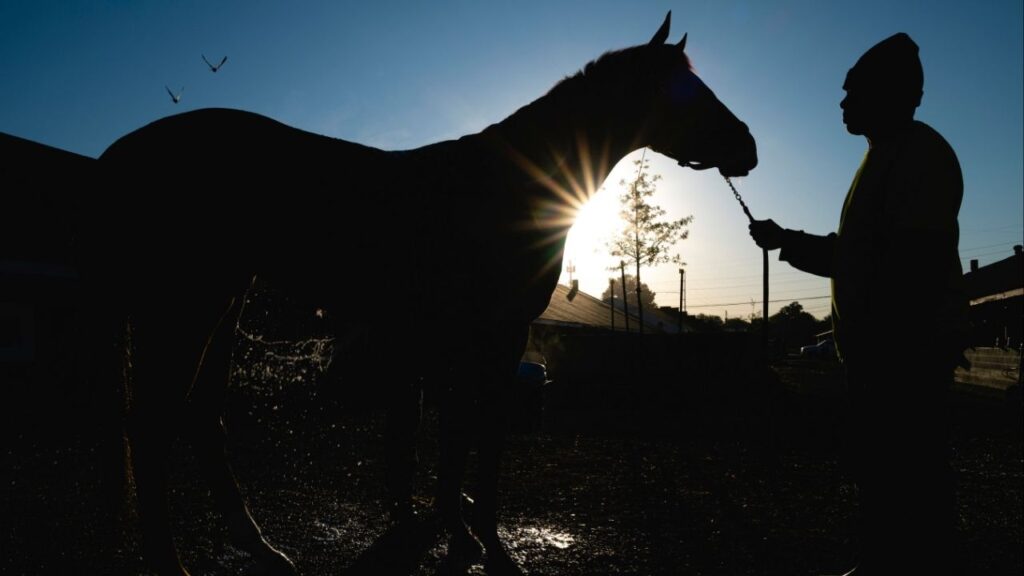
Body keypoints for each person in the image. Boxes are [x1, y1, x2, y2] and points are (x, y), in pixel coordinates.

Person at [749, 33, 969, 575]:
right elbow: (861, 253)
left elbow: (902, 264)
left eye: (853, 93)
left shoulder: (920, 157)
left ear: (891, 95)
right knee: (882, 471)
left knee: (907, 473)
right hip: (884, 355)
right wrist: (789, 241)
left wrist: (795, 245)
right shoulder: (884, 157)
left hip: (904, 357)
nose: (843, 104)